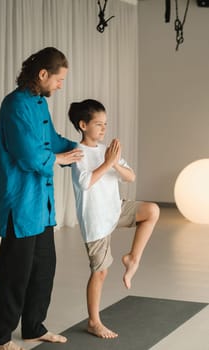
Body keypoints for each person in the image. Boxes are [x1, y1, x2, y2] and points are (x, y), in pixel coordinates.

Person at [0, 47, 83, 350]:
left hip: (42, 204)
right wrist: (61, 159)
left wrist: (83, 148)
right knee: (14, 274)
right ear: (43, 74)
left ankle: (32, 328)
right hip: (20, 203)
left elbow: (51, 140)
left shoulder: (39, 102)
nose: (60, 85)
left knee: (43, 269)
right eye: (59, 79)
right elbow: (28, 154)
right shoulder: (14, 105)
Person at [68, 99, 160, 339]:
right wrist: (108, 162)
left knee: (152, 210)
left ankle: (132, 259)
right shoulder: (77, 153)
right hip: (95, 219)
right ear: (83, 125)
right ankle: (93, 321)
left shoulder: (107, 149)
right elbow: (85, 183)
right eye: (98, 124)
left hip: (115, 209)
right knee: (100, 272)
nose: (103, 129)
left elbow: (130, 177)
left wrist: (115, 164)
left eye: (105, 124)